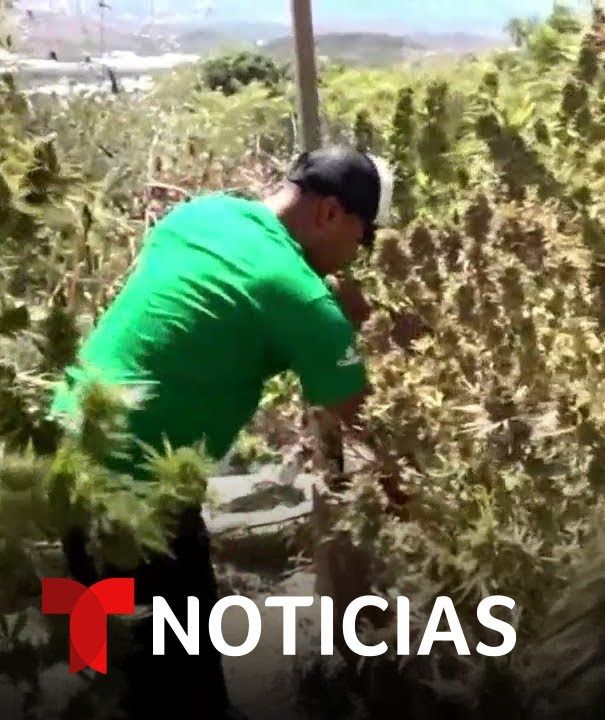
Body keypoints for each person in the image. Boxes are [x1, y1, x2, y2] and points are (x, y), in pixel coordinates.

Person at [47, 144, 394, 720]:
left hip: (68, 445)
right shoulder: (305, 299)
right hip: (139, 493)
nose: (358, 256)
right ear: (331, 214)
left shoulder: (202, 215)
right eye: (365, 238)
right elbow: (356, 414)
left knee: (101, 657)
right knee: (181, 690)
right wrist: (349, 329)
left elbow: (210, 312)